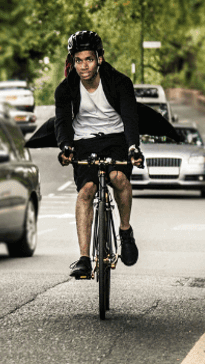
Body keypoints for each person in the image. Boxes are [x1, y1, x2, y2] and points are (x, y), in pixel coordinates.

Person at [54, 30, 144, 280]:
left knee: (119, 178)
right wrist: (66, 147)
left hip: (116, 139)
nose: (84, 66)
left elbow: (130, 117)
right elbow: (62, 122)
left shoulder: (119, 82)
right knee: (87, 190)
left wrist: (133, 148)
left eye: (89, 59)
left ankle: (125, 231)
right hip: (84, 141)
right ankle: (84, 259)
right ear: (72, 61)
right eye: (79, 60)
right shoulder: (65, 89)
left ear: (99, 59)